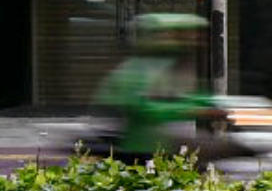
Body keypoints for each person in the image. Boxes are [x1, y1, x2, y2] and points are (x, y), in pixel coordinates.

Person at [91, 11, 216, 161]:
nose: (193, 40)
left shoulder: (175, 63)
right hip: (137, 146)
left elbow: (190, 94)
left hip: (164, 141)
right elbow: (142, 107)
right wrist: (190, 110)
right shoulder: (138, 68)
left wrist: (207, 105)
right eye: (180, 34)